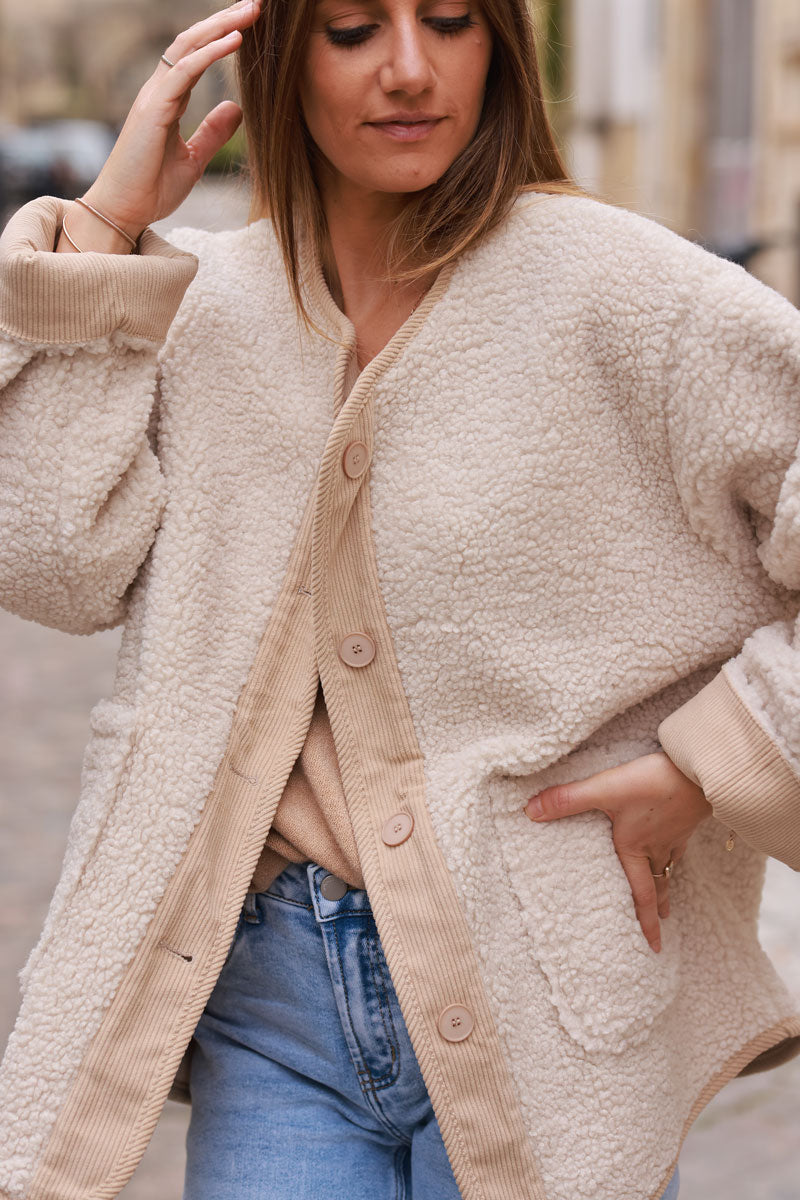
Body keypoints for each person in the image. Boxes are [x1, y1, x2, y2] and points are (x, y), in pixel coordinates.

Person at [0, 0, 798, 1197]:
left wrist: (717, 761)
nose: (410, 71)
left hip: (542, 985)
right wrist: (107, 227)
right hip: (269, 1001)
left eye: (449, 21)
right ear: (277, 59)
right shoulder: (205, 305)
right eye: (353, 30)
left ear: (501, 48)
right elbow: (56, 563)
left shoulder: (627, 295)